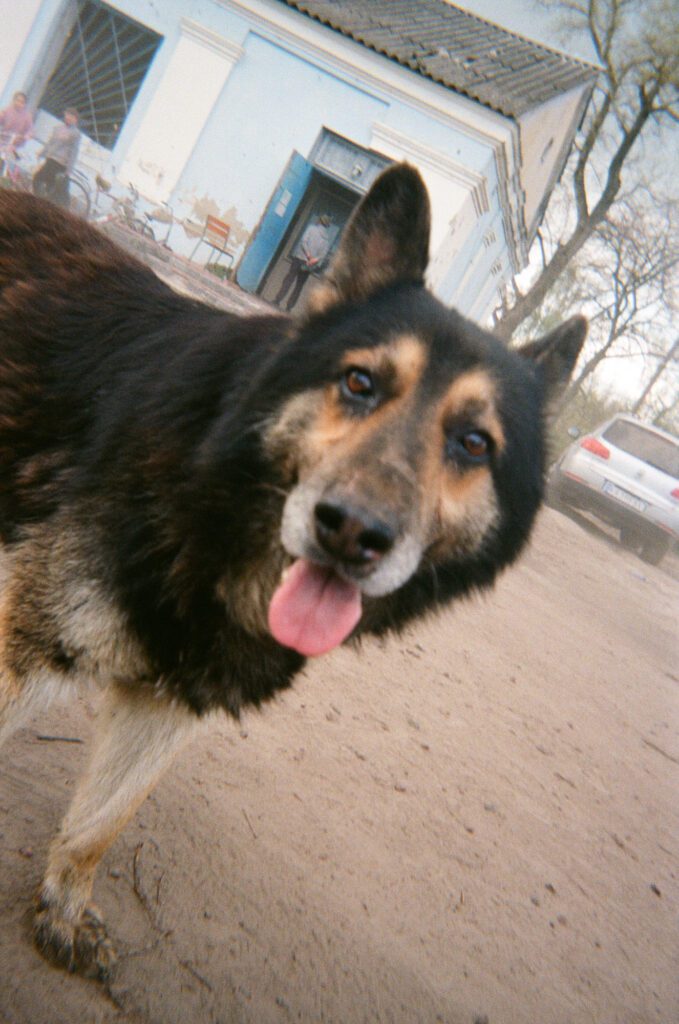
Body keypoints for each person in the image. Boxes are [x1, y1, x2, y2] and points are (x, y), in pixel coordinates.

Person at [275, 213, 332, 311]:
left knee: (289, 279)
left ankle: (277, 300)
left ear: (320, 220)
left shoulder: (311, 228)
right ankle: (289, 307)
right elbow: (323, 255)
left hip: (300, 258)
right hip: (309, 265)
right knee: (299, 286)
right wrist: (313, 260)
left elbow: (303, 241)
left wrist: (308, 254)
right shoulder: (327, 239)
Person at [33, 107, 81, 209]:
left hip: (60, 163)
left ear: (75, 120)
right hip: (51, 159)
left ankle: (40, 204)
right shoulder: (58, 128)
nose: (68, 118)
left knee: (40, 180)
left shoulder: (76, 134)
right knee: (44, 183)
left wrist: (69, 170)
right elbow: (50, 143)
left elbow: (74, 152)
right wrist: (42, 153)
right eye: (67, 115)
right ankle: (41, 204)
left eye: (71, 116)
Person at [0, 91, 34, 175]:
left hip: (15, 143)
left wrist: (26, 136)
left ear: (24, 104)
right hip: (3, 139)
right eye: (17, 100)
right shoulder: (7, 110)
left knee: (8, 159)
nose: (19, 103)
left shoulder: (27, 116)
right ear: (14, 100)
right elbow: (2, 118)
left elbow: (30, 130)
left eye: (22, 102)